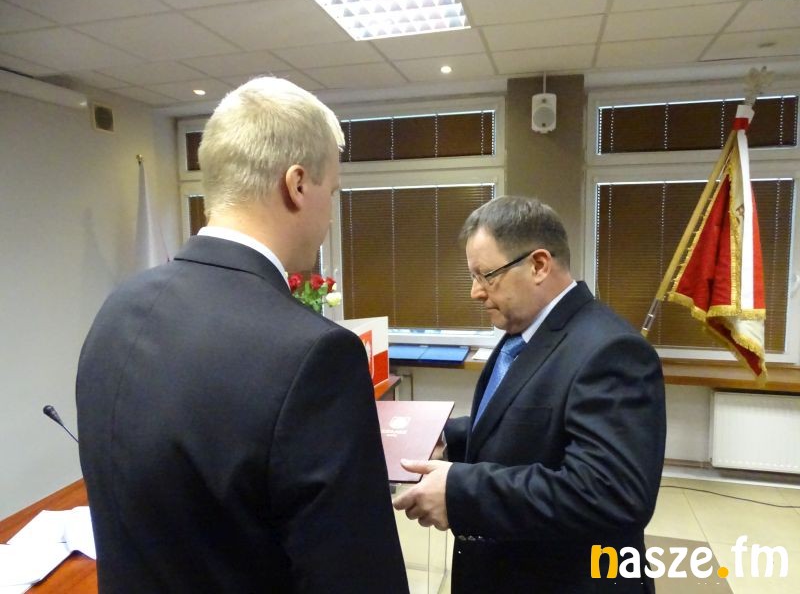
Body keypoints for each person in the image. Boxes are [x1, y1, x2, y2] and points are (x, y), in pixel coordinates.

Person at [77, 77, 409, 593]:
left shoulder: (117, 308)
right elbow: (358, 577)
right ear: (297, 185)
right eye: (332, 192)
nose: (329, 215)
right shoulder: (315, 354)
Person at [393, 196, 666, 593]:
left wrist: (461, 492)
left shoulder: (611, 350)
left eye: (486, 275)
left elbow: (610, 494)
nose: (475, 292)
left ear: (538, 265)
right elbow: (524, 421)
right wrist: (447, 437)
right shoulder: (523, 333)